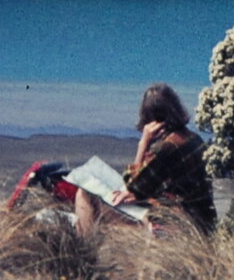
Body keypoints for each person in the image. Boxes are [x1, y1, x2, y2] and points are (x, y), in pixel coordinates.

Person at [74, 83, 215, 234]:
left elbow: (132, 186)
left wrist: (144, 143)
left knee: (85, 193)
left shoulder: (166, 148)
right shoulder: (194, 139)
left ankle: (85, 247)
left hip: (176, 223)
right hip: (202, 220)